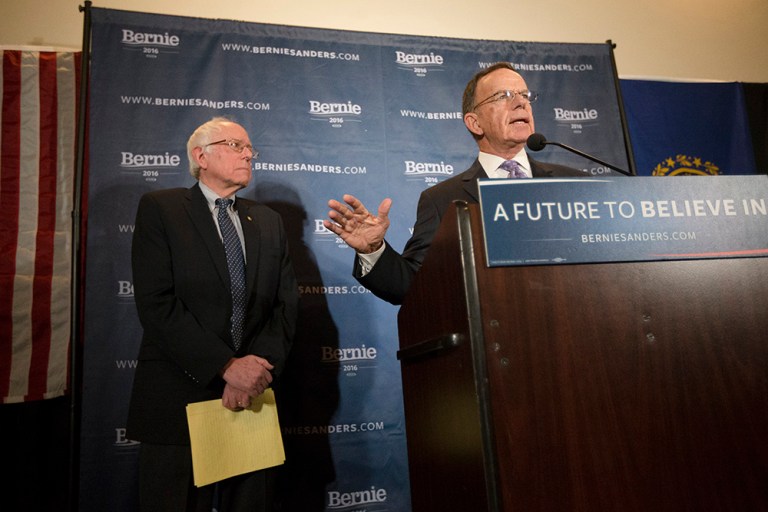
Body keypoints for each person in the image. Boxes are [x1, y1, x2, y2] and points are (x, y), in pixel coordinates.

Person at [127, 117, 299, 512]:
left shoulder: (269, 222)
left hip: (251, 397)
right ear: (200, 156)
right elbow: (157, 303)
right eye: (235, 145)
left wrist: (252, 372)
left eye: (250, 148)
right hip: (178, 399)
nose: (248, 155)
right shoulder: (162, 209)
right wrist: (224, 366)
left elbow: (284, 305)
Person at [323, 62, 585, 305]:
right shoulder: (442, 200)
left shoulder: (575, 183)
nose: (521, 104)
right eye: (504, 96)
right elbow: (411, 286)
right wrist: (373, 249)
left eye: (525, 95)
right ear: (475, 122)